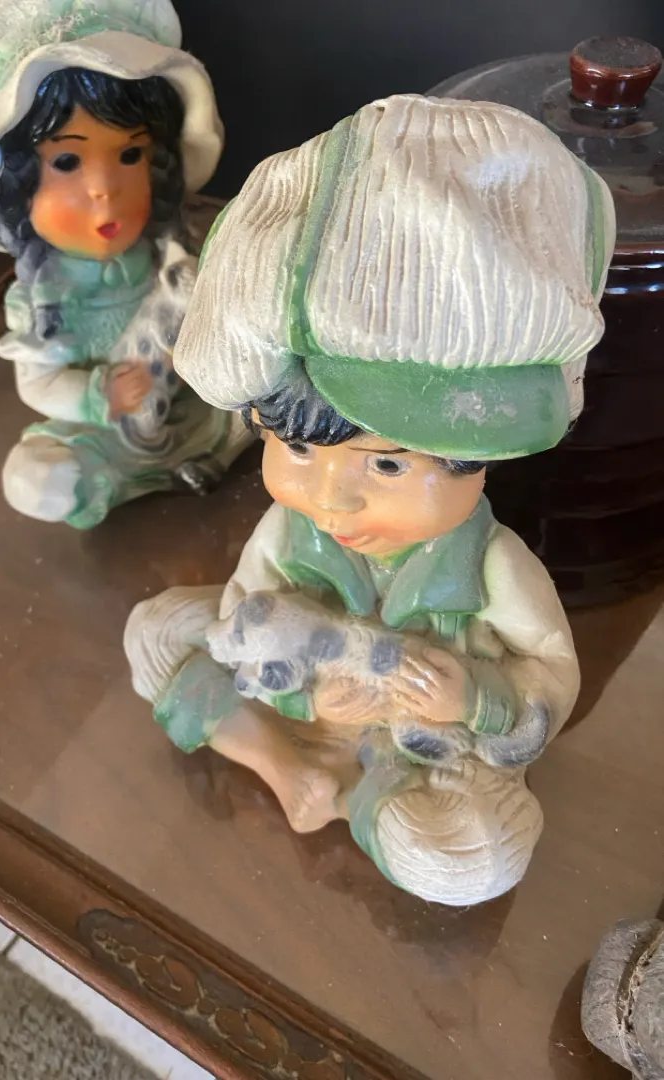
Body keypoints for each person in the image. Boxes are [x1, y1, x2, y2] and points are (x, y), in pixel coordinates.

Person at [125, 94, 615, 905]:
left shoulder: (492, 566)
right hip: (307, 710)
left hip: (423, 747)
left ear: (479, 461)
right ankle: (287, 771)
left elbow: (552, 672)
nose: (332, 499)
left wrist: (474, 697)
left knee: (471, 857)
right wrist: (305, 695)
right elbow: (244, 618)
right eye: (297, 449)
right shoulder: (289, 529)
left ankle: (362, 799)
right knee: (156, 632)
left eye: (386, 465)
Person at [0, 0, 252, 527]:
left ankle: (214, 451)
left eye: (130, 155)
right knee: (37, 479)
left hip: (194, 404)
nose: (104, 189)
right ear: (15, 182)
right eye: (66, 161)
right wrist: (98, 395)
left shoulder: (171, 253)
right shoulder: (44, 299)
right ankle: (136, 473)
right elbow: (38, 382)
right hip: (110, 427)